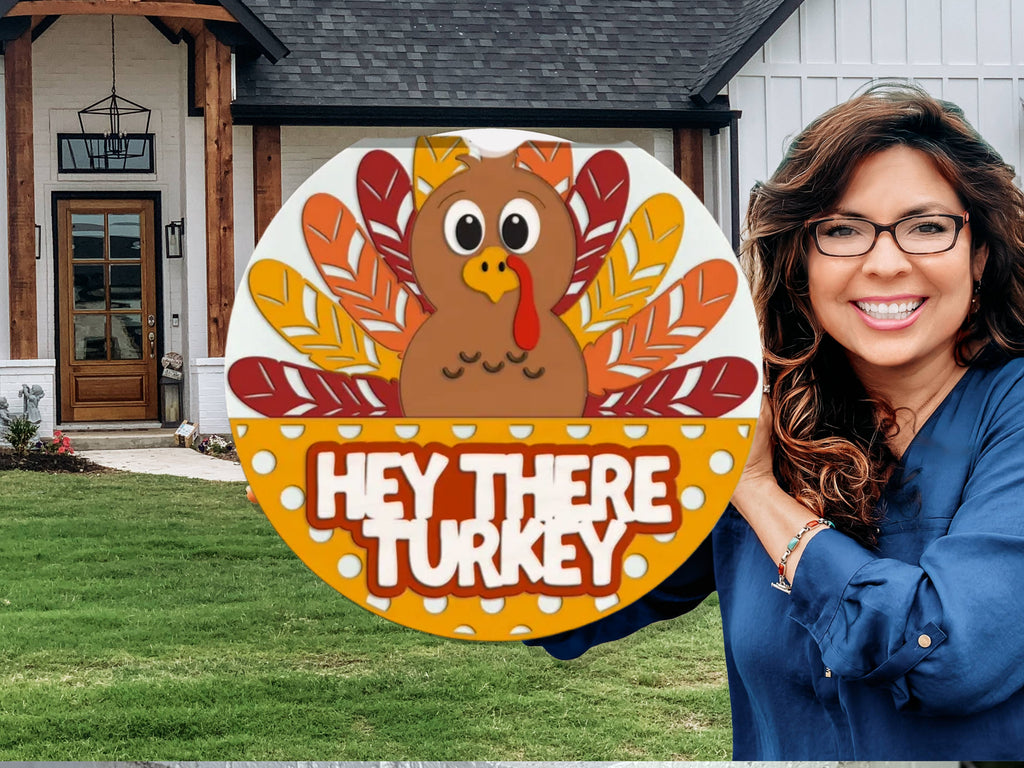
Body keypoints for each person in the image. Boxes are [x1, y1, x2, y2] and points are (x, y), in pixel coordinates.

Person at [527, 83, 1024, 760]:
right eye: (842, 230)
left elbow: (951, 656)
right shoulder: (766, 413)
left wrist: (758, 490)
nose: (884, 262)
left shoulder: (1010, 413)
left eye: (927, 226)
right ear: (801, 262)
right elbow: (561, 594)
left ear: (981, 253)